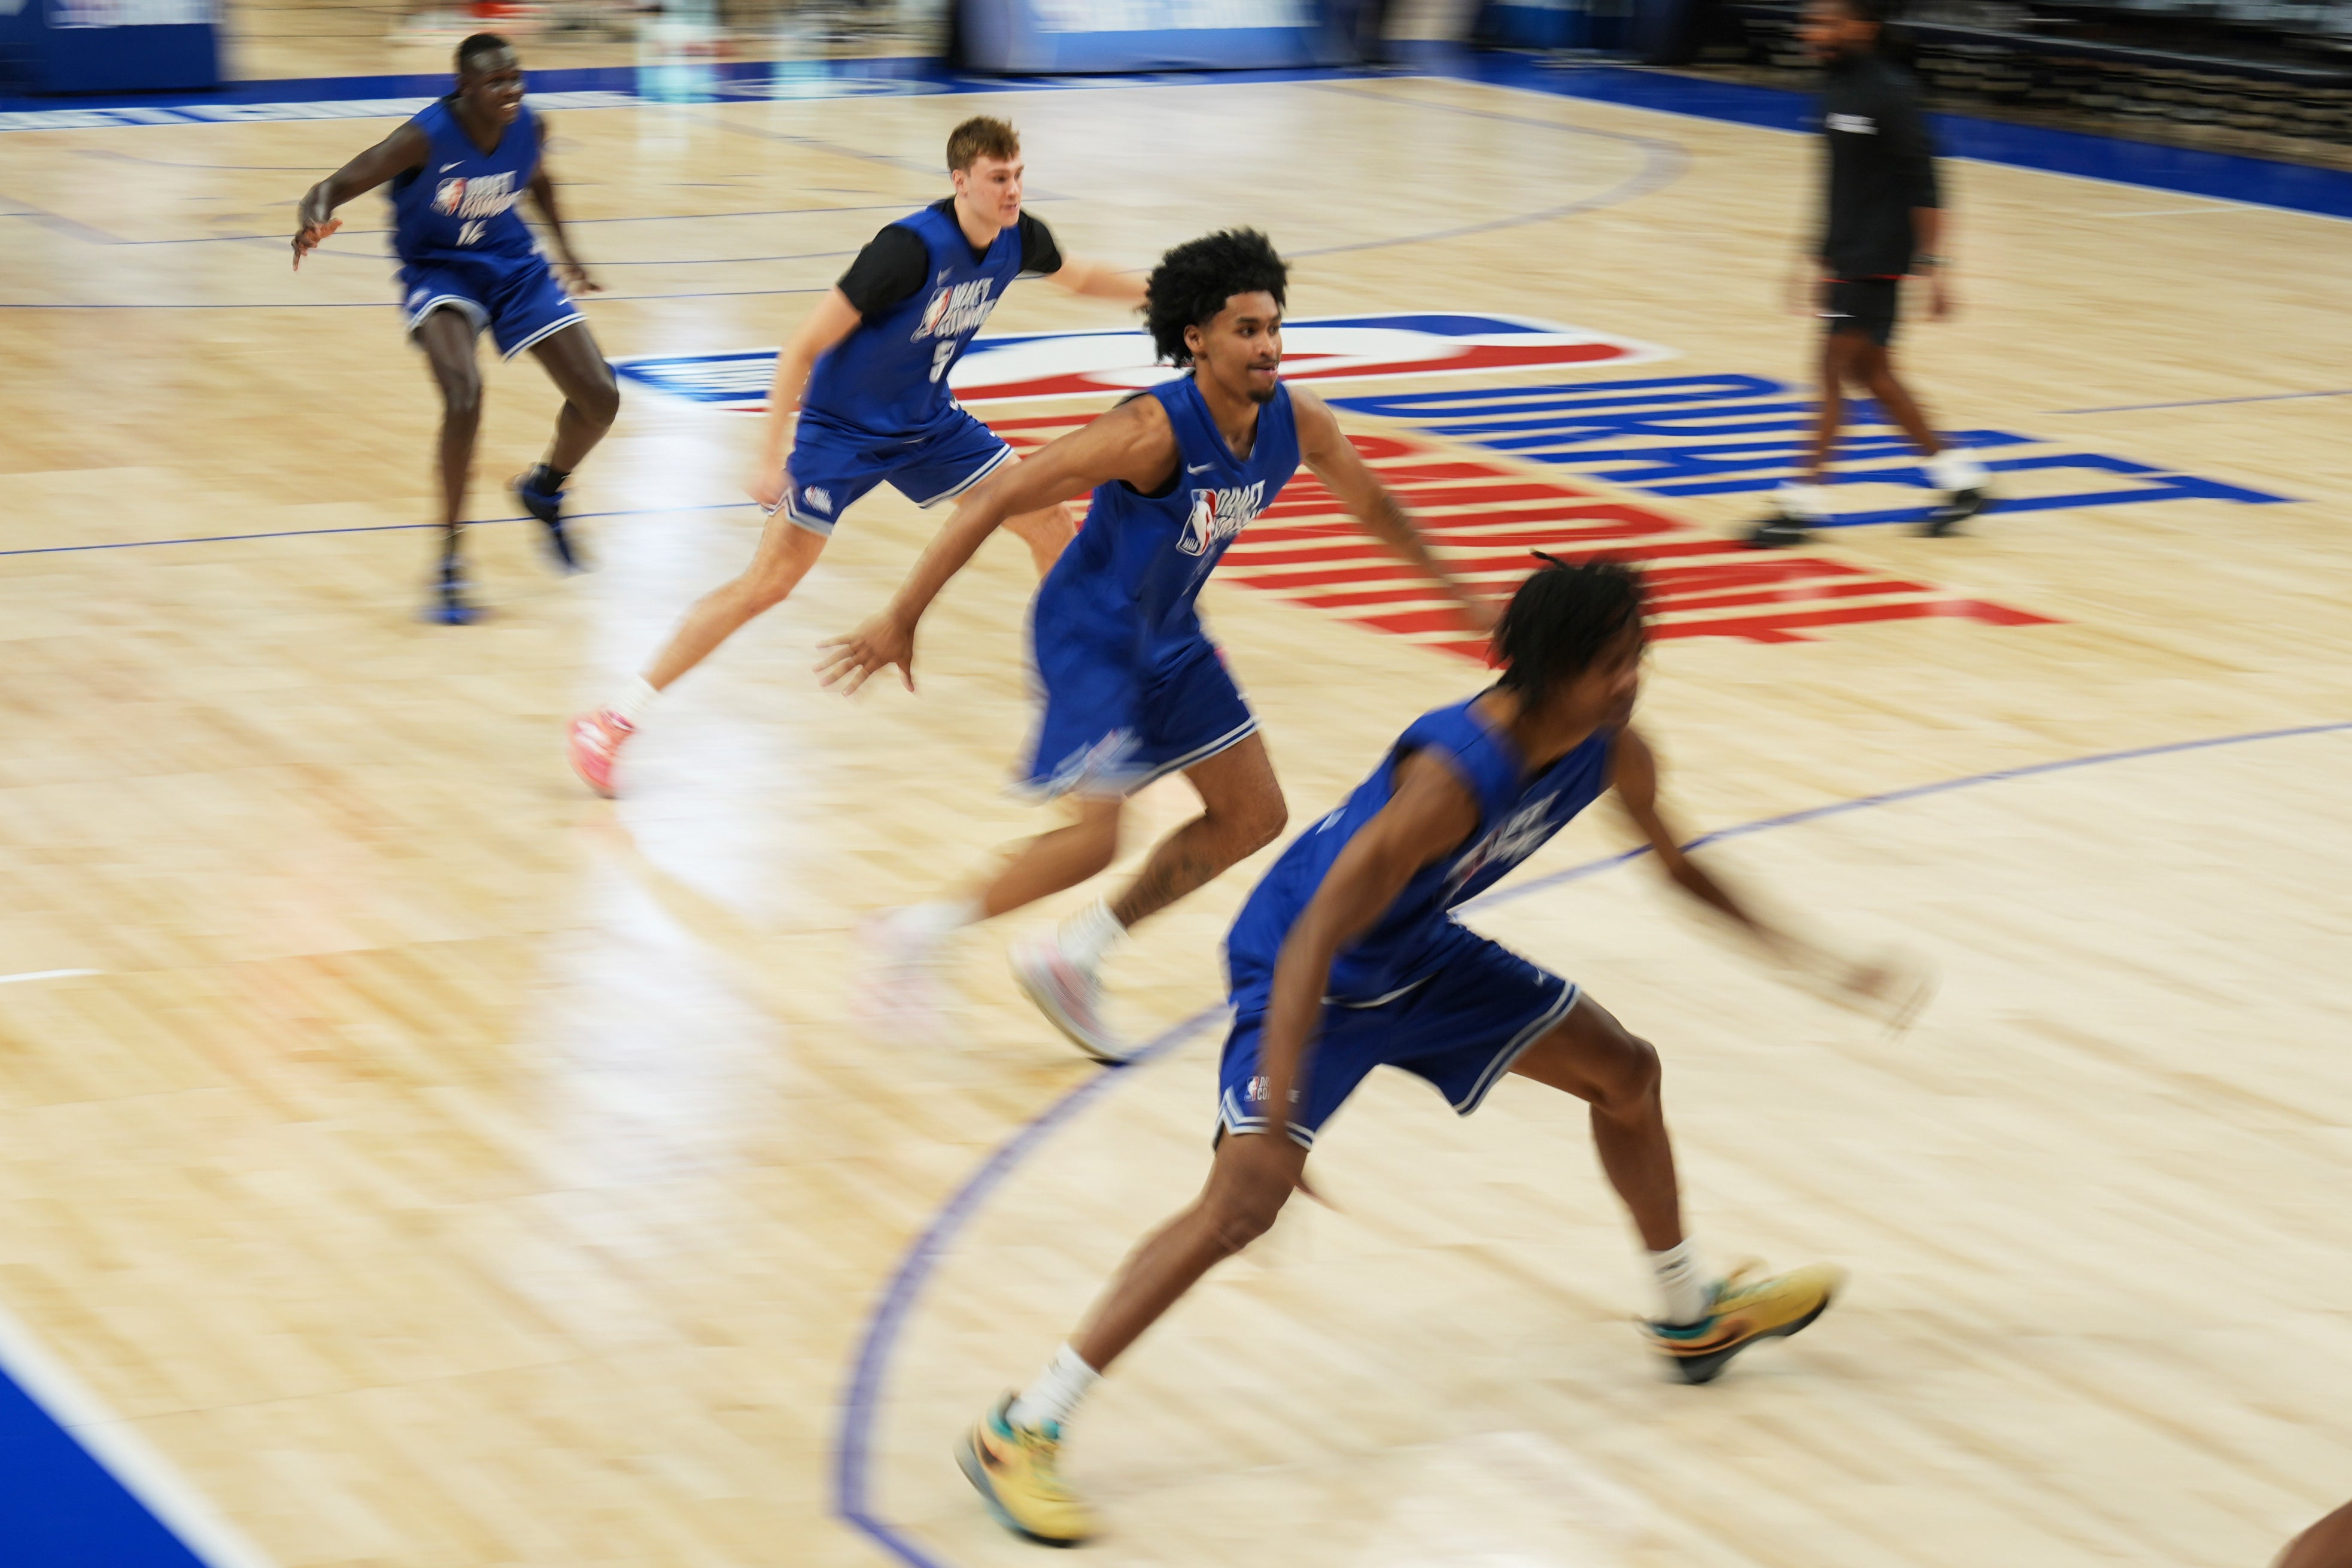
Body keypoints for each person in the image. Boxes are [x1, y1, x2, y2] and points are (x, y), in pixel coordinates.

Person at [954, 555, 1918, 1546]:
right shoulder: (1454, 777)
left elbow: (1678, 870)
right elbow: (1315, 929)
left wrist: (1817, 961)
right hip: (1309, 967)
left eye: (1640, 655)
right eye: (1616, 662)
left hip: (1416, 954)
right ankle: (1022, 1428)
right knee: (1244, 1199)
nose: (1635, 678)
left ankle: (1690, 1316)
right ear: (1554, 671)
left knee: (1626, 1074)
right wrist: (1284, 1108)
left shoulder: (1609, 744)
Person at [817, 228, 1492, 1062]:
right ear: (1195, 339)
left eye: (1273, 327)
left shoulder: (1297, 421)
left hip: (1169, 633)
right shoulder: (1147, 432)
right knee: (1099, 836)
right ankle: (916, 932)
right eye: (1245, 330)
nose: (1267, 346)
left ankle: (1077, 952)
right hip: (1087, 635)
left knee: (1254, 814)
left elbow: (1375, 508)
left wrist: (1462, 600)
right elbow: (998, 498)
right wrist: (901, 614)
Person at [567, 115, 1146, 795]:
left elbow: (1079, 278)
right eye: (998, 178)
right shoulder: (906, 250)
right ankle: (611, 720)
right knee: (769, 584)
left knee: (1048, 520)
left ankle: (1088, 685)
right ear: (961, 183)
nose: (1013, 190)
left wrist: (1161, 293)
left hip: (927, 424)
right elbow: (801, 347)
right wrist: (769, 452)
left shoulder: (1020, 237)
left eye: (1018, 175)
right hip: (841, 431)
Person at [294, 33, 619, 624]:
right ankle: (449, 561)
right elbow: (331, 188)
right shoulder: (424, 136)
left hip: (514, 266)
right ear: (464, 88)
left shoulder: (531, 127)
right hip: (440, 273)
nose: (512, 89)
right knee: (463, 397)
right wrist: (314, 220)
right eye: (497, 81)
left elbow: (539, 179)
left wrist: (568, 250)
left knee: (601, 398)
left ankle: (543, 489)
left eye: (516, 77)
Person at [1747, 0, 1990, 548]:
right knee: (1873, 377)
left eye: (1830, 21)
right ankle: (1963, 480)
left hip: (1879, 259)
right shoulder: (1833, 88)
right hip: (1848, 256)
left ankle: (1801, 504)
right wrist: (1815, 255)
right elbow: (1842, 184)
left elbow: (1926, 186)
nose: (1815, 31)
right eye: (1811, 21)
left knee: (1832, 370)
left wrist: (1935, 268)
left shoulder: (1891, 91)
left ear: (1866, 27)